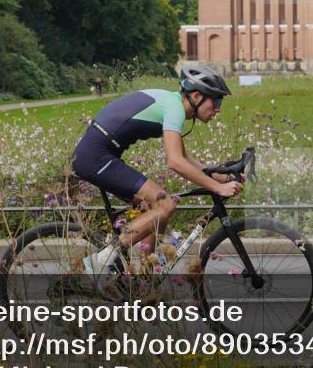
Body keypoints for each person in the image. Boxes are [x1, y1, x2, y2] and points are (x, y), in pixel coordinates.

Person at [73, 67, 242, 279]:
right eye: (216, 102)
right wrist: (218, 188)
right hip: (95, 157)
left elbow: (186, 159)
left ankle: (146, 279)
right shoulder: (175, 109)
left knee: (158, 204)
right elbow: (175, 161)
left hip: (100, 154)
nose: (218, 110)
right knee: (165, 204)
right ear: (197, 96)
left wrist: (223, 177)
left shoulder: (173, 105)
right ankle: (105, 258)